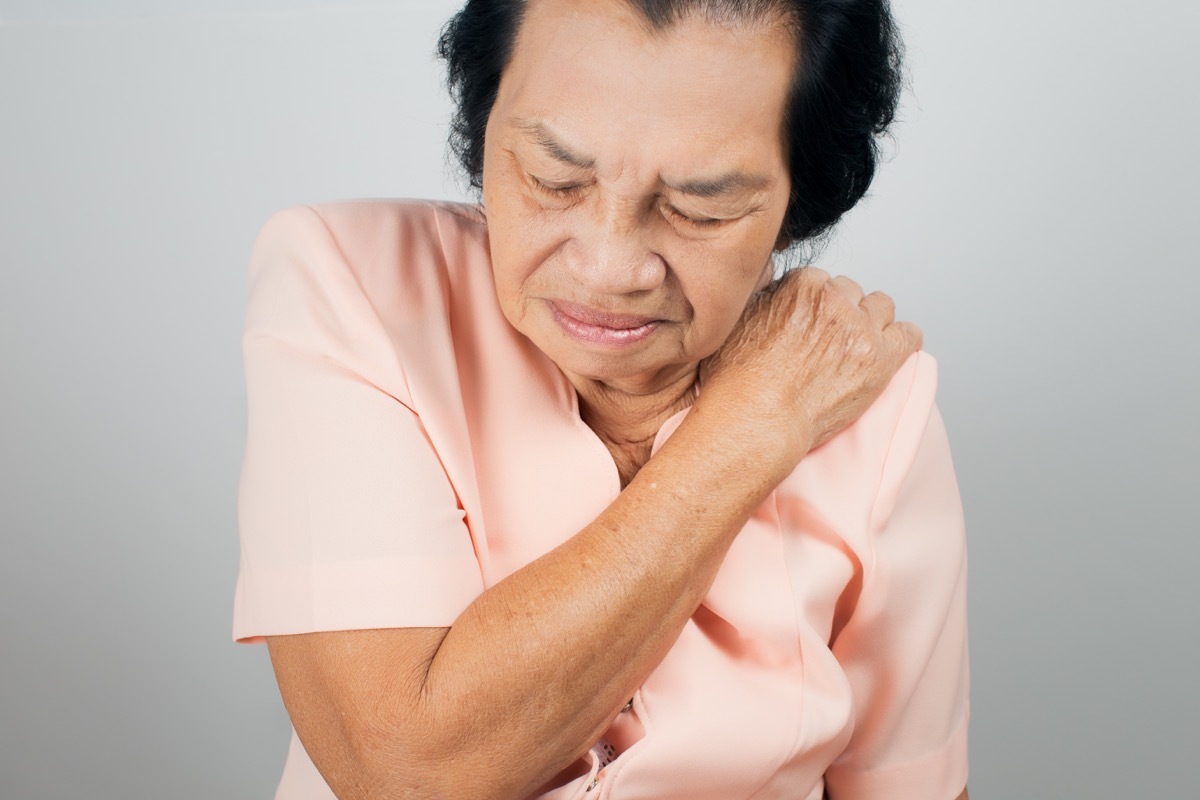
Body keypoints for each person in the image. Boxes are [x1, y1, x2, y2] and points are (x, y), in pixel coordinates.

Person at [233, 0, 970, 798]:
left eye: (701, 208)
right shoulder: (351, 284)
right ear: (484, 133)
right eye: (554, 178)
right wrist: (751, 426)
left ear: (797, 208)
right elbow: (405, 771)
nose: (610, 267)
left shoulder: (873, 406)